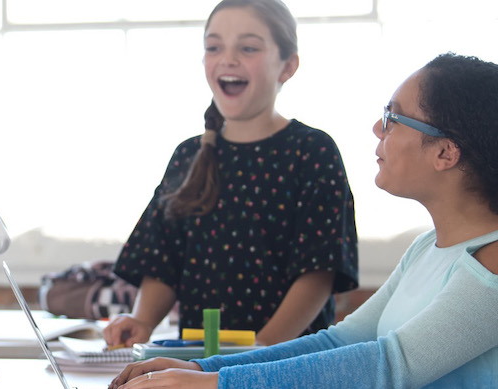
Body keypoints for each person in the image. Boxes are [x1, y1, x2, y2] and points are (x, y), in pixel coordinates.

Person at [110, 52, 498, 388]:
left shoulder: (493, 259)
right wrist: (200, 367)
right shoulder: (425, 248)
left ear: (445, 153)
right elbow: (337, 342)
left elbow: (390, 365)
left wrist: (215, 383)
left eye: (393, 117)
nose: (378, 128)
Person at [103, 0, 358, 349]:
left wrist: (261, 348)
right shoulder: (188, 155)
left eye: (248, 47)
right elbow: (162, 261)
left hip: (289, 364)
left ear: (288, 66)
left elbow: (318, 273)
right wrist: (142, 319)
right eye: (213, 47)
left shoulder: (312, 151)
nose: (228, 59)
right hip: (201, 365)